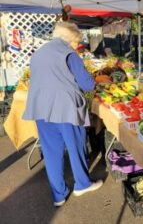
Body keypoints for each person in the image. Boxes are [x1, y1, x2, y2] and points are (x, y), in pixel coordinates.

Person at [23, 22, 103, 207]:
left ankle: (58, 195)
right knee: (75, 147)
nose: (78, 46)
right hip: (66, 108)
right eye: (77, 43)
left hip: (41, 109)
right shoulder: (68, 53)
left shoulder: (39, 53)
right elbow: (87, 84)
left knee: (51, 153)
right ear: (70, 39)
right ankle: (82, 184)